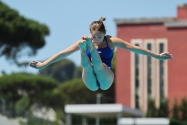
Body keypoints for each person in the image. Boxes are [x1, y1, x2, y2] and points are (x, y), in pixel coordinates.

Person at [29, 17, 173, 91]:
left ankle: (87, 50)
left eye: (98, 37)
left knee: (99, 65)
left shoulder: (112, 42)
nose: (96, 39)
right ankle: (84, 51)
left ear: (104, 33)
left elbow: (135, 48)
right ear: (91, 34)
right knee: (87, 66)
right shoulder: (86, 40)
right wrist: (43, 64)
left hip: (106, 78)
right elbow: (63, 53)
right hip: (90, 81)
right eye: (94, 37)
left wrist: (157, 55)